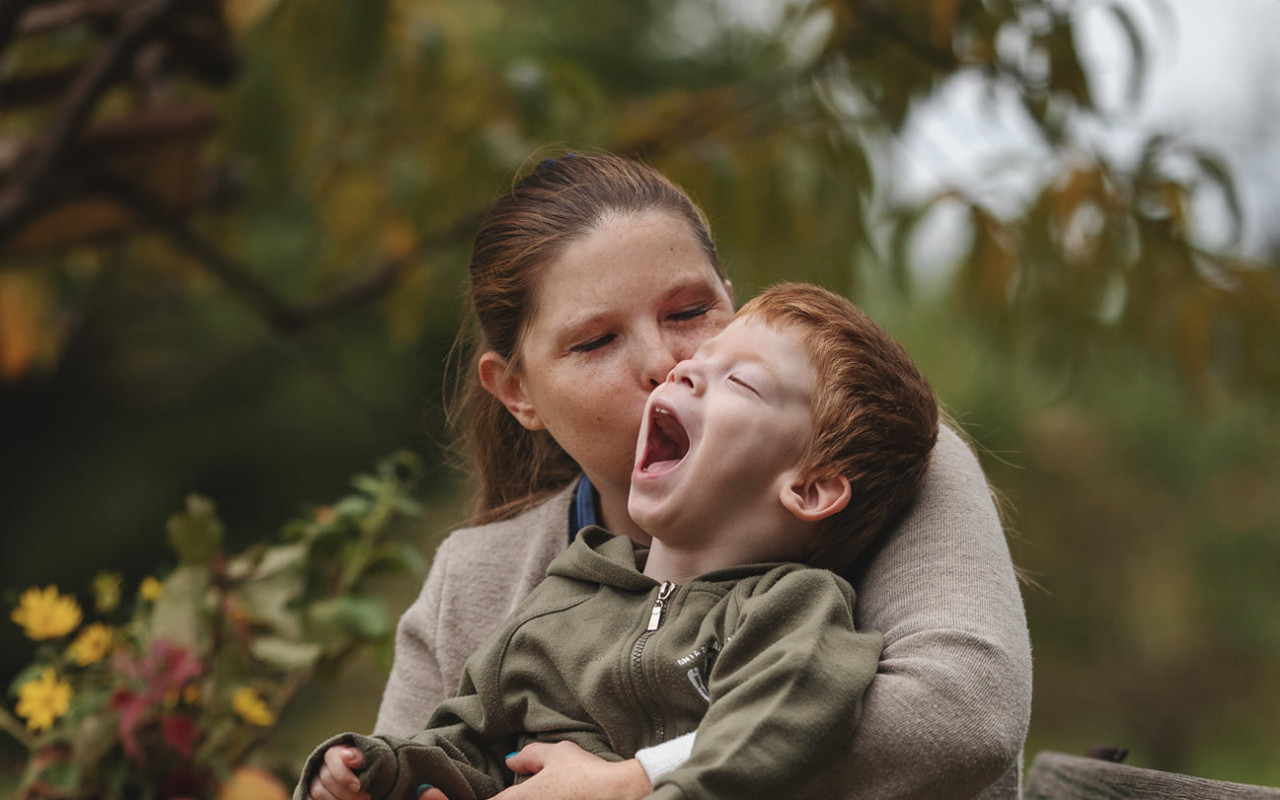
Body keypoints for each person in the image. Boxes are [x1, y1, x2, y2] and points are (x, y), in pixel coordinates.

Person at [323, 152, 1031, 800]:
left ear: (734, 301)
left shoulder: (886, 466)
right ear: (517, 392)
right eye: (597, 341)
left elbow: (960, 721)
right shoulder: (476, 582)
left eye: (691, 312)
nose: (668, 362)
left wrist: (633, 783)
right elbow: (410, 760)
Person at [297, 282, 941, 800]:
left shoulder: (793, 608)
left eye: (739, 382)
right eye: (700, 363)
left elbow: (778, 725)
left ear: (809, 489)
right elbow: (466, 743)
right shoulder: (568, 592)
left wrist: (630, 784)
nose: (679, 372)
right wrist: (382, 771)